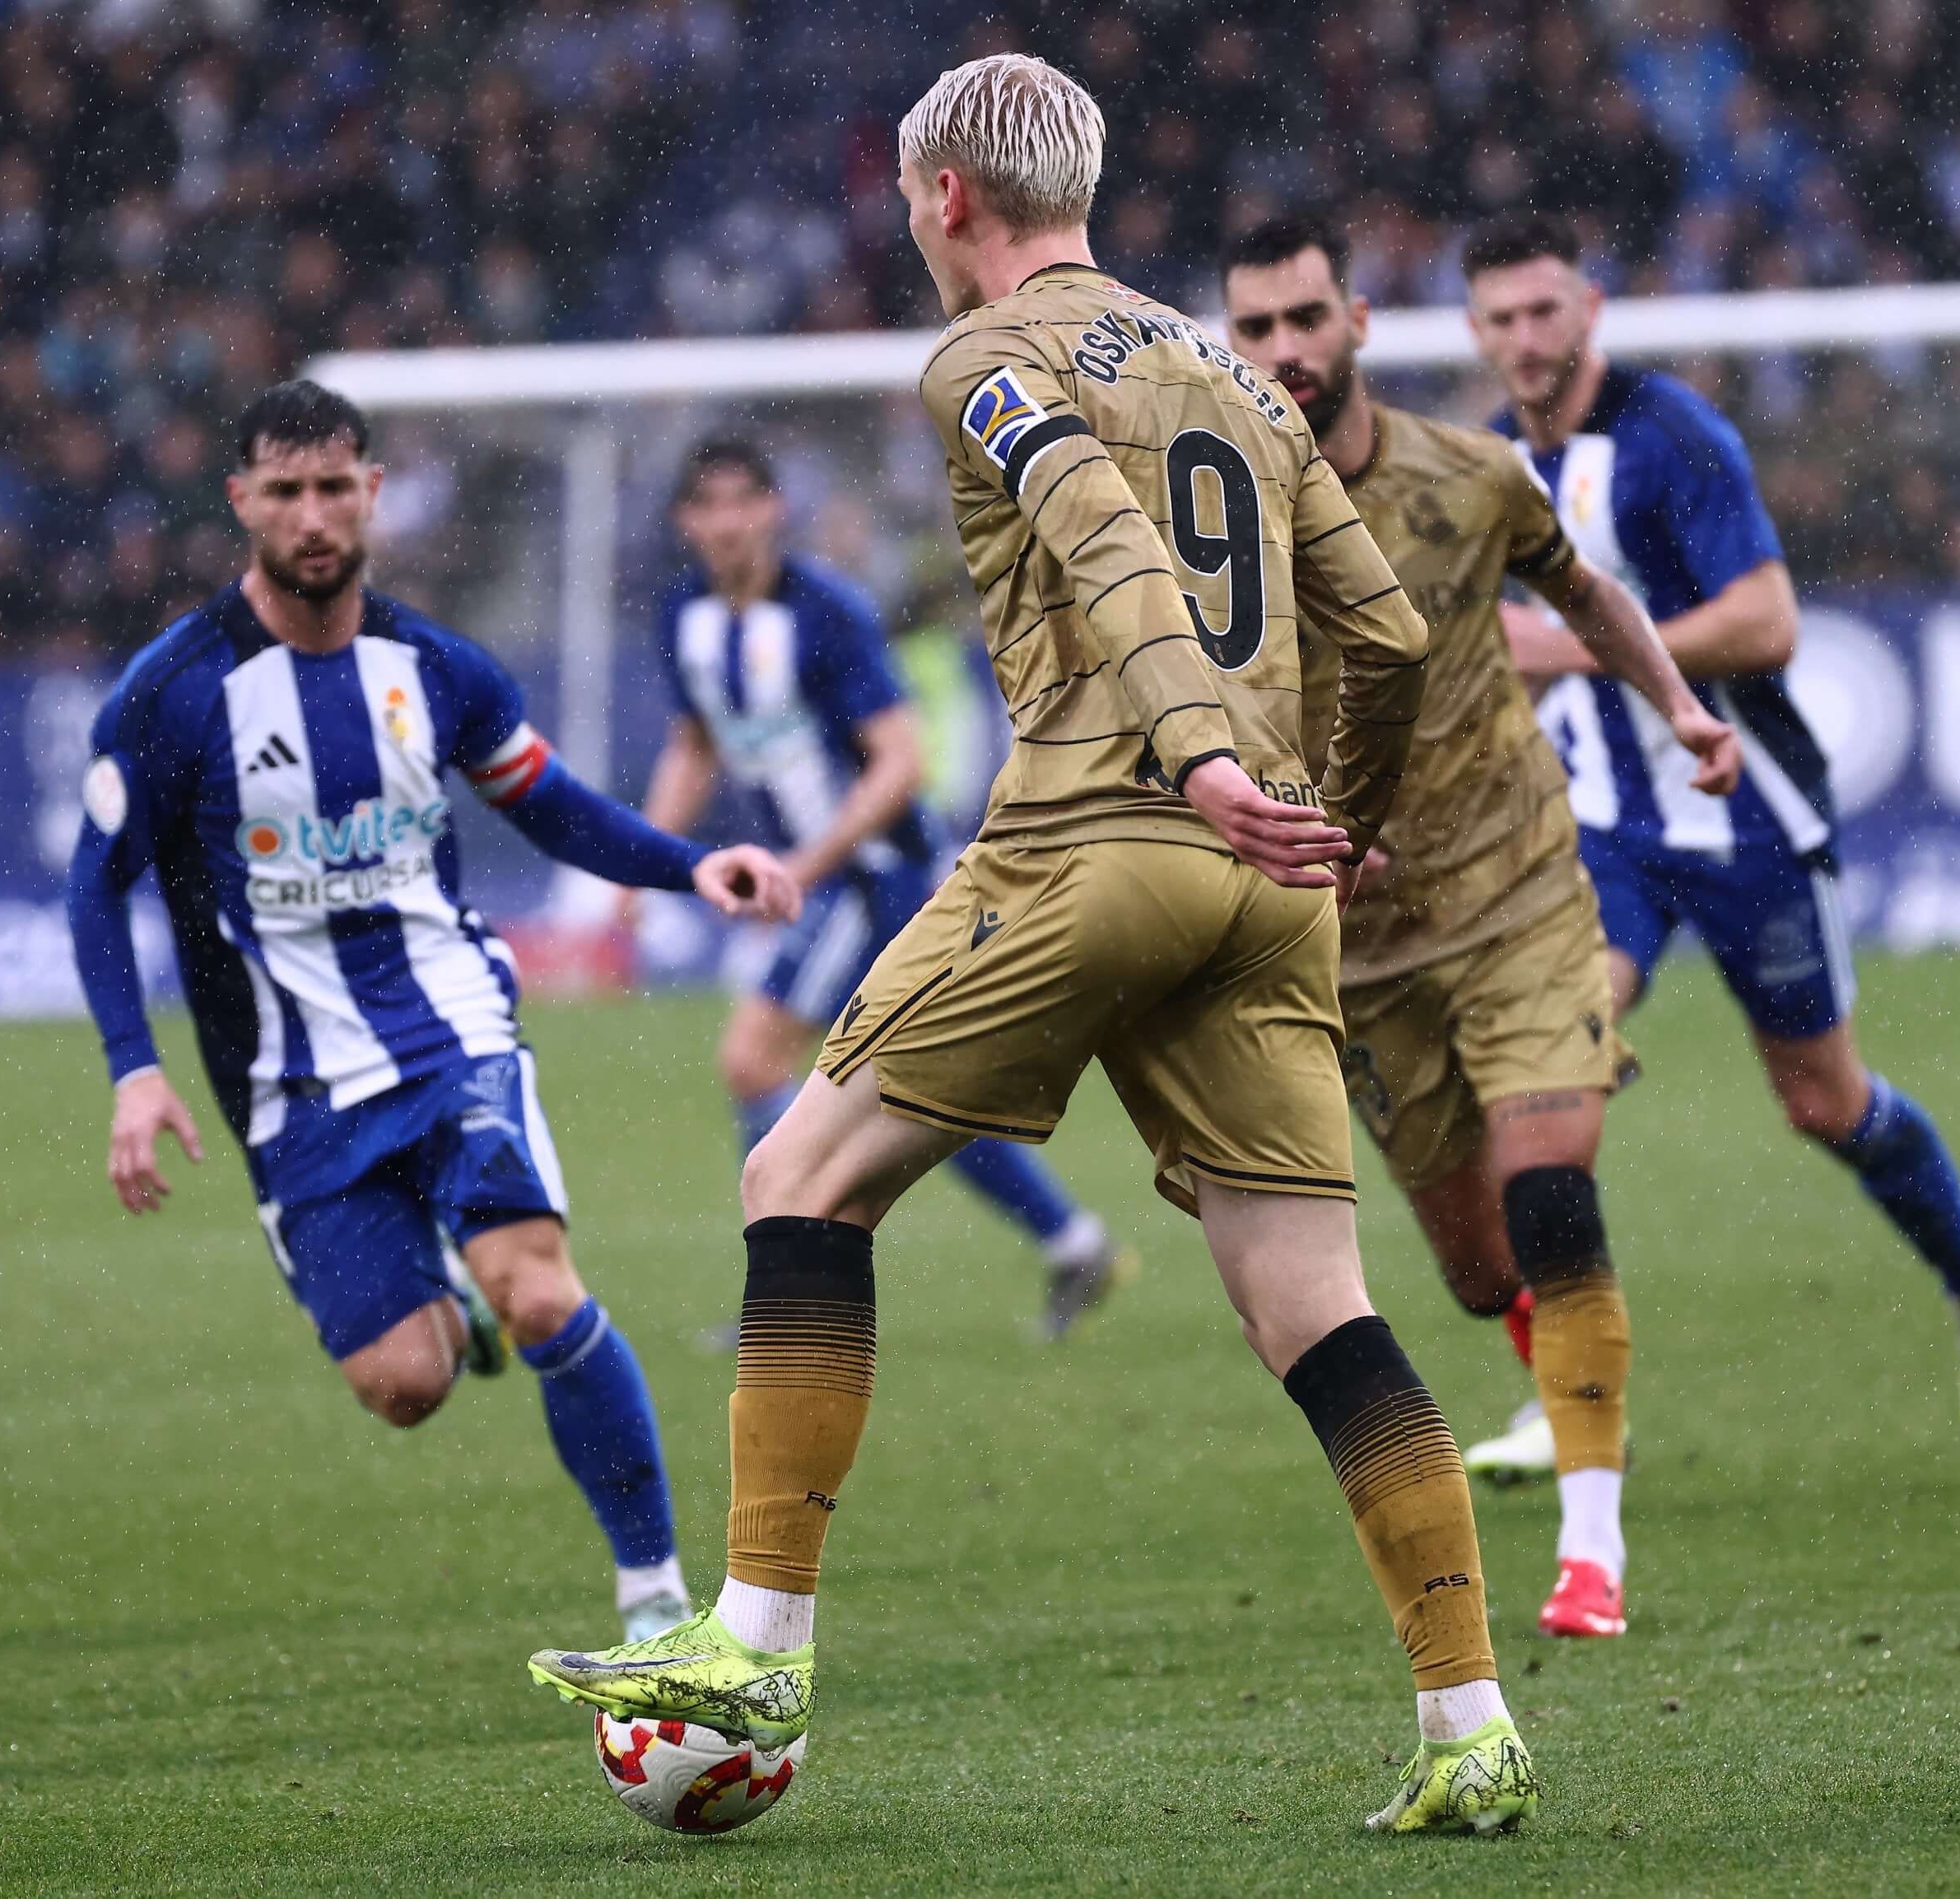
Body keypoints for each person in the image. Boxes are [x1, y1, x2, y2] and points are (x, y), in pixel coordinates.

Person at [531, 55, 1541, 1836]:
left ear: (941, 198)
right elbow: (1382, 631)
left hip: (1100, 833)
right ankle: (1470, 1720)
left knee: (796, 1172)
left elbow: (1097, 541)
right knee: (1319, 1307)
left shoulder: (978, 358)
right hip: (1264, 882)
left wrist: (1204, 760)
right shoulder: (1233, 366)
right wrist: (1330, 817)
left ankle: (753, 1641)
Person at [65, 380, 801, 1643]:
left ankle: (659, 1607)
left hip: (451, 1033)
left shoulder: (436, 669)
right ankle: (444, 1298)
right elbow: (95, 885)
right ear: (242, 501)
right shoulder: (174, 692)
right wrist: (136, 1067)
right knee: (404, 1383)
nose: (311, 515)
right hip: (292, 1088)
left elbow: (554, 804)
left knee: (542, 1290)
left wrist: (692, 863)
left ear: (373, 496)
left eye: (333, 487)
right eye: (284, 491)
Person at [1220, 213, 1740, 1642]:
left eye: (1304, 320)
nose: (1284, 352)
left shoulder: (1474, 476)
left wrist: (1681, 708)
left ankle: (1592, 1554)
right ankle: (1567, 1377)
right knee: (1473, 1271)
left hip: (1521, 893)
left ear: (1359, 321)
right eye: (1254, 330)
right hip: (1364, 955)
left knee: (1548, 1185)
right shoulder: (1218, 531)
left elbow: (1589, 593)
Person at [1468, 213, 1960, 1457]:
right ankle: (1564, 1384)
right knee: (1543, 1081)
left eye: (1543, 310)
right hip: (1605, 829)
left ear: (1590, 311)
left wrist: (1566, 649)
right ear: (1474, 330)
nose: (1525, 338)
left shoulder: (1673, 436)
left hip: (1747, 819)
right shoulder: (1490, 460)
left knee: (1821, 1098)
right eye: (1501, 317)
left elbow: (1769, 620)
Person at [631, 438, 1137, 1338]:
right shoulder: (687, 618)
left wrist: (808, 864)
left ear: (773, 509)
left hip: (869, 879)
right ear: (685, 521)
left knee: (757, 1062)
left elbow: (899, 763)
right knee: (907, 1091)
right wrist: (649, 858)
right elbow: (695, 742)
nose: (728, 522)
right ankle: (1074, 1243)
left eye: (744, 500)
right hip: (825, 881)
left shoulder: (826, 613)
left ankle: (786, 1298)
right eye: (707, 504)